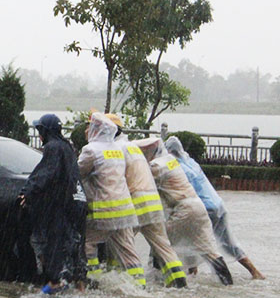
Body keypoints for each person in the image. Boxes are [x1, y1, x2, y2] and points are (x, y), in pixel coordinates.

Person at [134, 137, 233, 286]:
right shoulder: (170, 160)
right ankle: (228, 284)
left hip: (182, 210)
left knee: (161, 244)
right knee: (210, 251)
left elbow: (141, 184)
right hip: (198, 208)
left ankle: (158, 281)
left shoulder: (156, 166)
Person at [165, 136, 264, 279]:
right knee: (228, 243)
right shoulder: (191, 162)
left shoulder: (176, 167)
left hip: (203, 209)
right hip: (218, 205)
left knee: (199, 243)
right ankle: (255, 272)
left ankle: (201, 274)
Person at [106, 114, 187, 288]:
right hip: (153, 203)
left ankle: (133, 285)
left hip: (135, 203)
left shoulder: (115, 149)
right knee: (163, 247)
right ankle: (180, 284)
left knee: (120, 243)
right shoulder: (132, 147)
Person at [19, 114, 88, 294]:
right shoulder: (68, 147)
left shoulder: (53, 148)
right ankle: (81, 289)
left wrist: (27, 192)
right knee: (76, 249)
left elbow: (45, 173)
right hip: (78, 204)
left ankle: (54, 285)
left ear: (45, 131)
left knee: (56, 247)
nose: (39, 136)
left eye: (39, 131)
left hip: (63, 207)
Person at [78, 112, 146, 288]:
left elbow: (77, 173)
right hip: (125, 210)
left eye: (89, 126)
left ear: (96, 129)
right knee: (127, 250)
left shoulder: (90, 150)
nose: (86, 130)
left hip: (104, 211)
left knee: (89, 243)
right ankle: (140, 285)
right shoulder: (117, 149)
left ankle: (94, 281)